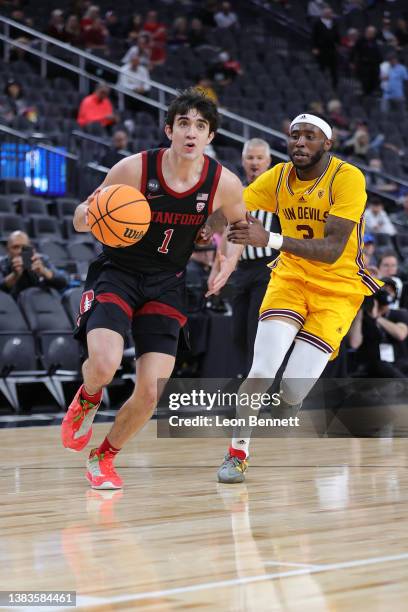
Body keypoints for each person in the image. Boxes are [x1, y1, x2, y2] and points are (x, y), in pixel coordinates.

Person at [61, 89, 247, 489]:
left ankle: (104, 457)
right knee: (105, 365)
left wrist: (226, 260)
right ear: (169, 129)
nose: (191, 132)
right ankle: (88, 399)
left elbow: (237, 228)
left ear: (210, 136)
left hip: (167, 282)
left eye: (201, 126)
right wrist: (90, 216)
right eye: (184, 123)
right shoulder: (133, 169)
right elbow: (81, 215)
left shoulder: (223, 183)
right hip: (119, 272)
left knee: (150, 392)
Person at [213, 112, 382, 484]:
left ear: (328, 143)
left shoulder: (348, 178)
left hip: (337, 288)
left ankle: (290, 401)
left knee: (292, 388)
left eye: (309, 136)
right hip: (289, 278)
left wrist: (269, 239)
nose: (299, 143)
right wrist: (200, 229)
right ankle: (237, 453)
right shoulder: (277, 177)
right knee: (261, 369)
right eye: (294, 136)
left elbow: (333, 249)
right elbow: (230, 207)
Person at [211, 138, 281, 377]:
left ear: (268, 161)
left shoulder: (279, 193)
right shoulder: (235, 193)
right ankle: (244, 380)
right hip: (241, 270)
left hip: (269, 270)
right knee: (238, 332)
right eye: (250, 157)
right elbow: (223, 235)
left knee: (256, 330)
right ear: (242, 161)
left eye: (259, 158)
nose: (254, 162)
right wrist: (216, 274)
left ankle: (258, 391)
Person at [0, 231, 68, 298]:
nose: (20, 251)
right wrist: (15, 275)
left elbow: (63, 283)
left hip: (38, 303)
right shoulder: (2, 263)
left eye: (24, 247)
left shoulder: (41, 259)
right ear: (7, 249)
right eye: (15, 247)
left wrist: (44, 272)